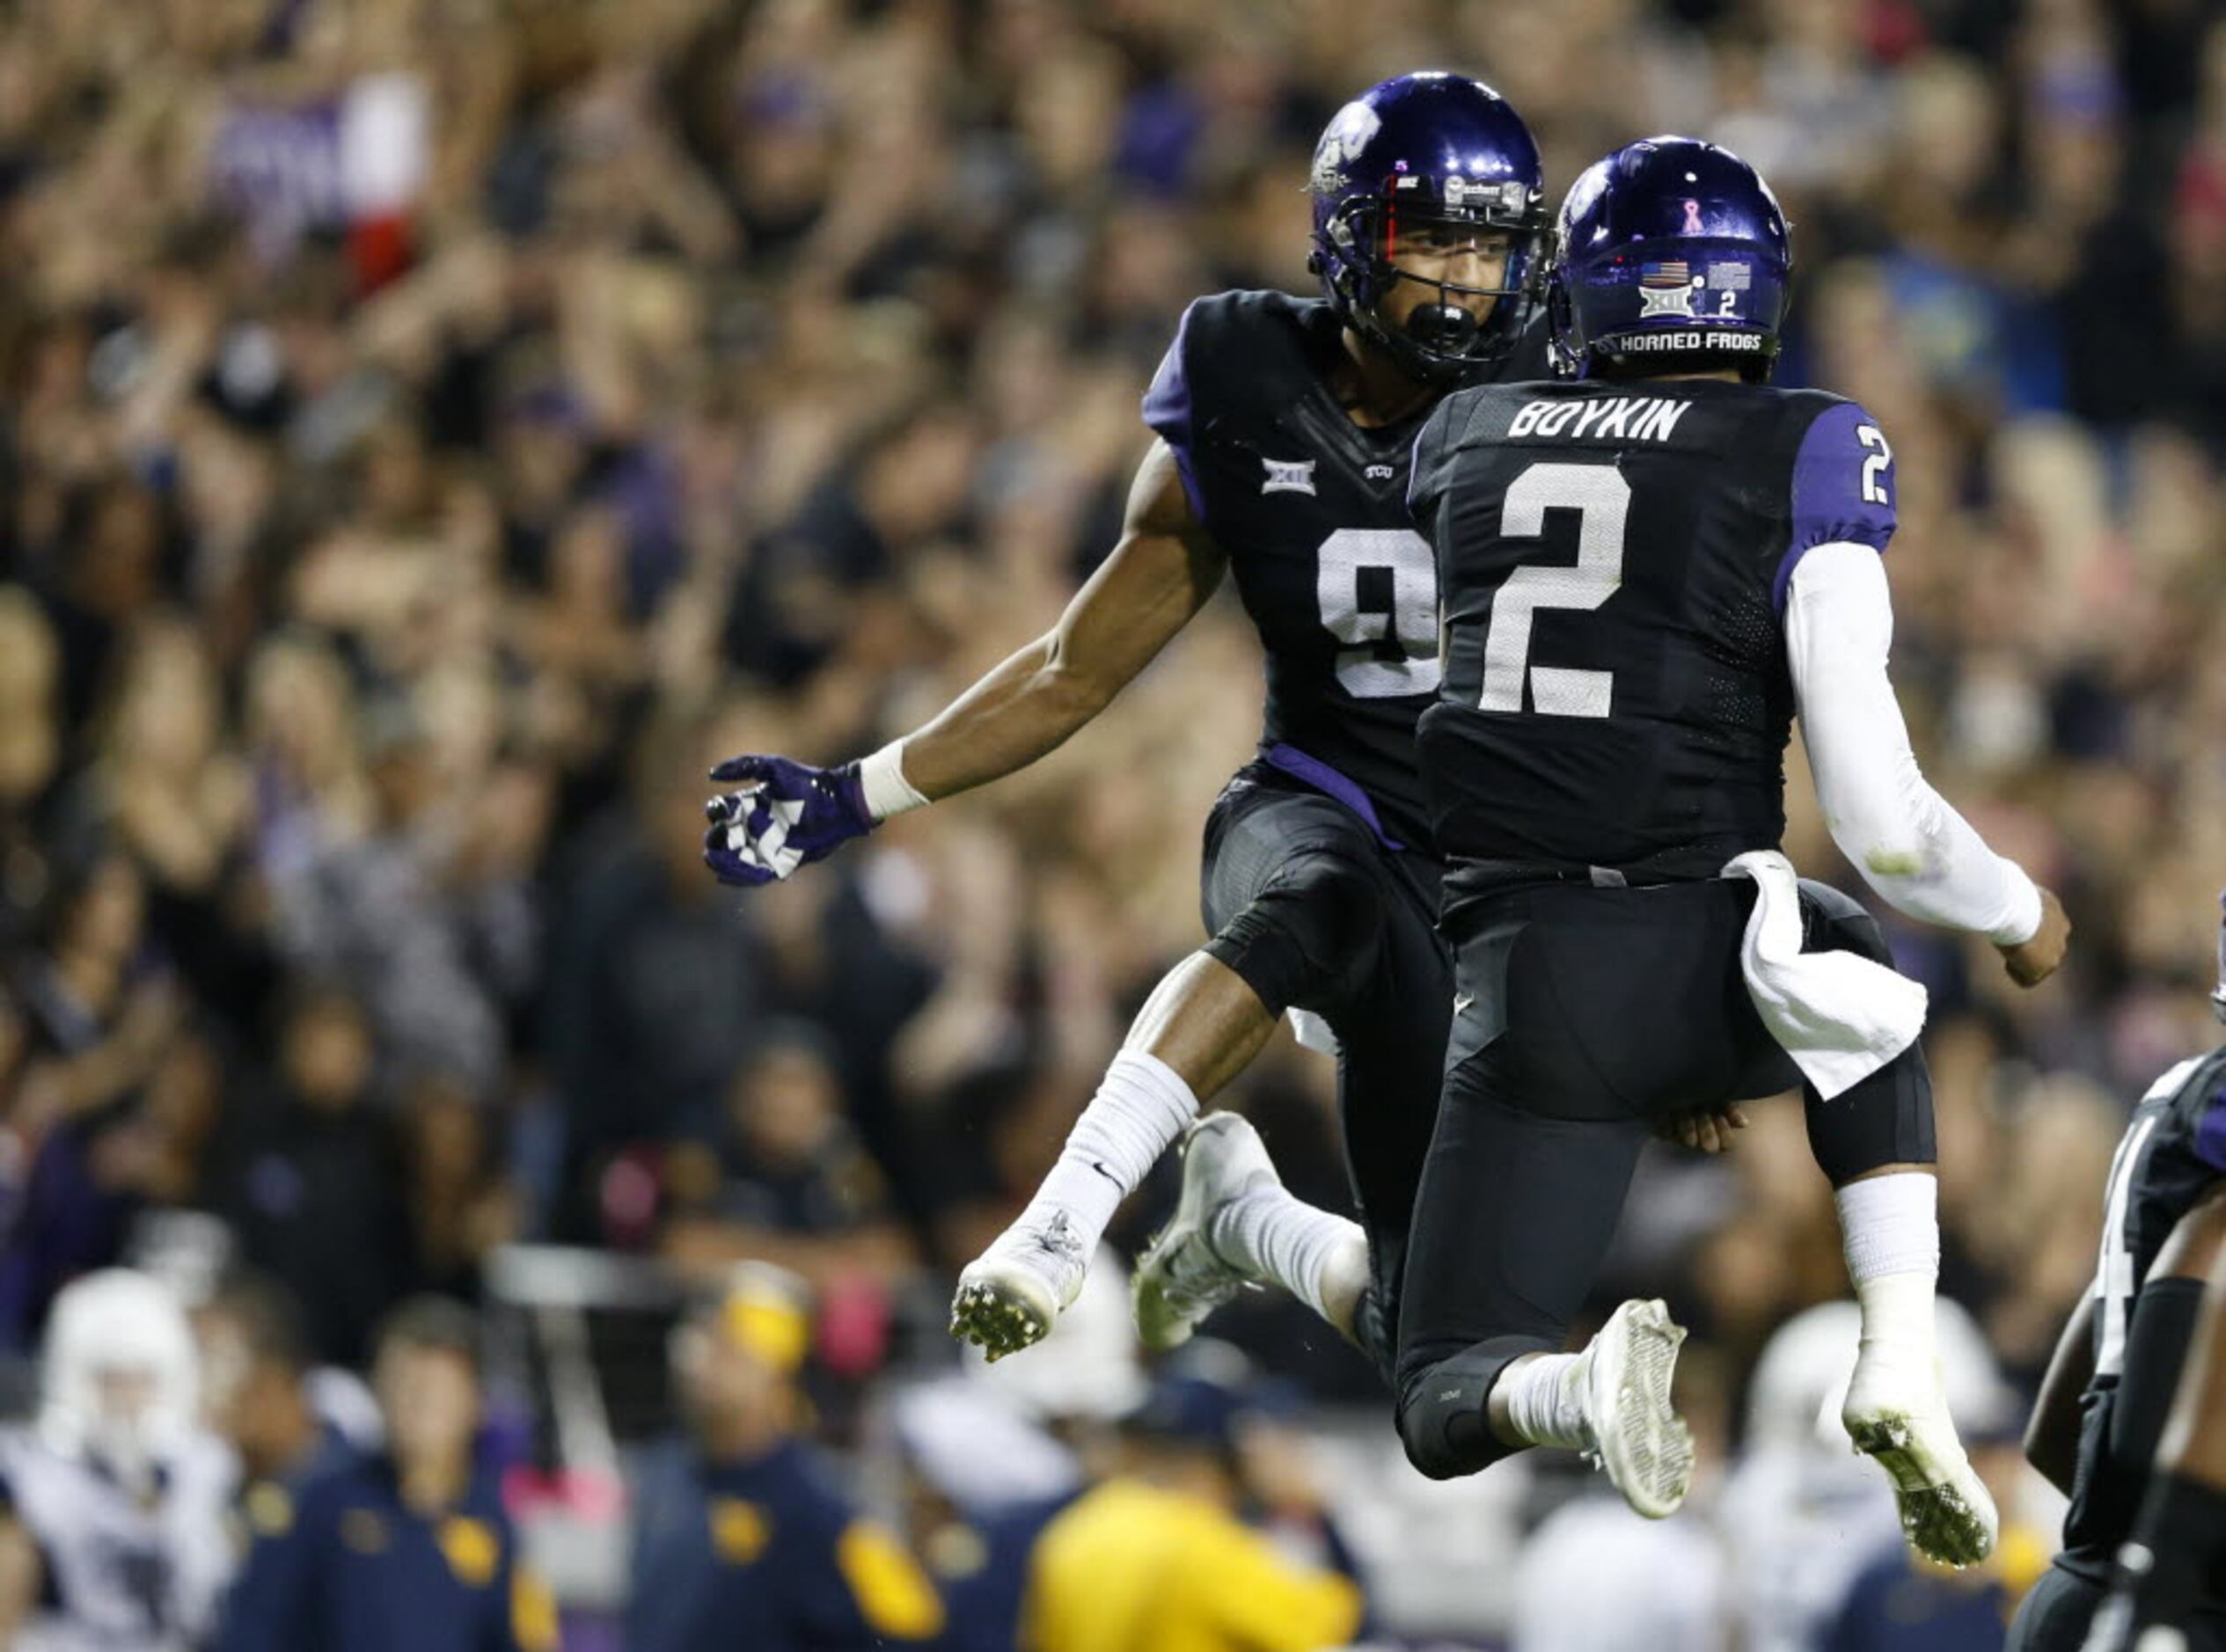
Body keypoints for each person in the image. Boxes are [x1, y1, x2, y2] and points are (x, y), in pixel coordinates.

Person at [703, 69, 1566, 1380]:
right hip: (1313, 795)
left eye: (1489, 245)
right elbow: (1071, 666)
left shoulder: (1566, 402)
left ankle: (1250, 1222)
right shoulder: (1241, 379)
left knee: (1428, 1331)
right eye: (1431, 240)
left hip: (1487, 873)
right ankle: (1062, 1220)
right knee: (1318, 895)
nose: (1466, 282)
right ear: (1348, 239)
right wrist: (858, 791)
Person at [1376, 135, 2068, 1546]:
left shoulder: (1462, 433)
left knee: (1441, 1390)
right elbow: (1882, 825)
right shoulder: (1805, 442)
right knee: (1845, 947)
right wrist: (2015, 909)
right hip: (1710, 943)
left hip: (1519, 980)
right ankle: (1896, 1350)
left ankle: (1573, 1391)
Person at [2010, 902, 2226, 1651]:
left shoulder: (2182, 1118)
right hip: (2170, 1611)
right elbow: (2142, 1434)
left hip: (2096, 1591)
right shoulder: (2211, 1174)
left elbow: (2059, 1432)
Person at [626, 1265, 945, 1652]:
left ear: (777, 1375)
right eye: (699, 1340)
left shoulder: (818, 1509)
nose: (702, 1363)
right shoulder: (663, 1473)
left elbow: (910, 1628)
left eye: (729, 1350)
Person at [215, 1296, 558, 1652]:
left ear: (474, 1401)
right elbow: (256, 1626)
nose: (418, 1406)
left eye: (434, 1391)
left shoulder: (493, 1521)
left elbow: (525, 1638)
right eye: (404, 1385)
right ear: (379, 1391)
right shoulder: (325, 1504)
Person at [1020, 1365, 1363, 1652]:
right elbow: (1334, 1627)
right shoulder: (1210, 1547)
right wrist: (1314, 1513)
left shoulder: (1076, 1528)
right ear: (1224, 1463)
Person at [0, 1268, 238, 1650]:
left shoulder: (208, 1471)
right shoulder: (31, 1475)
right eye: (111, 1379)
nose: (128, 1399)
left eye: (143, 1379)